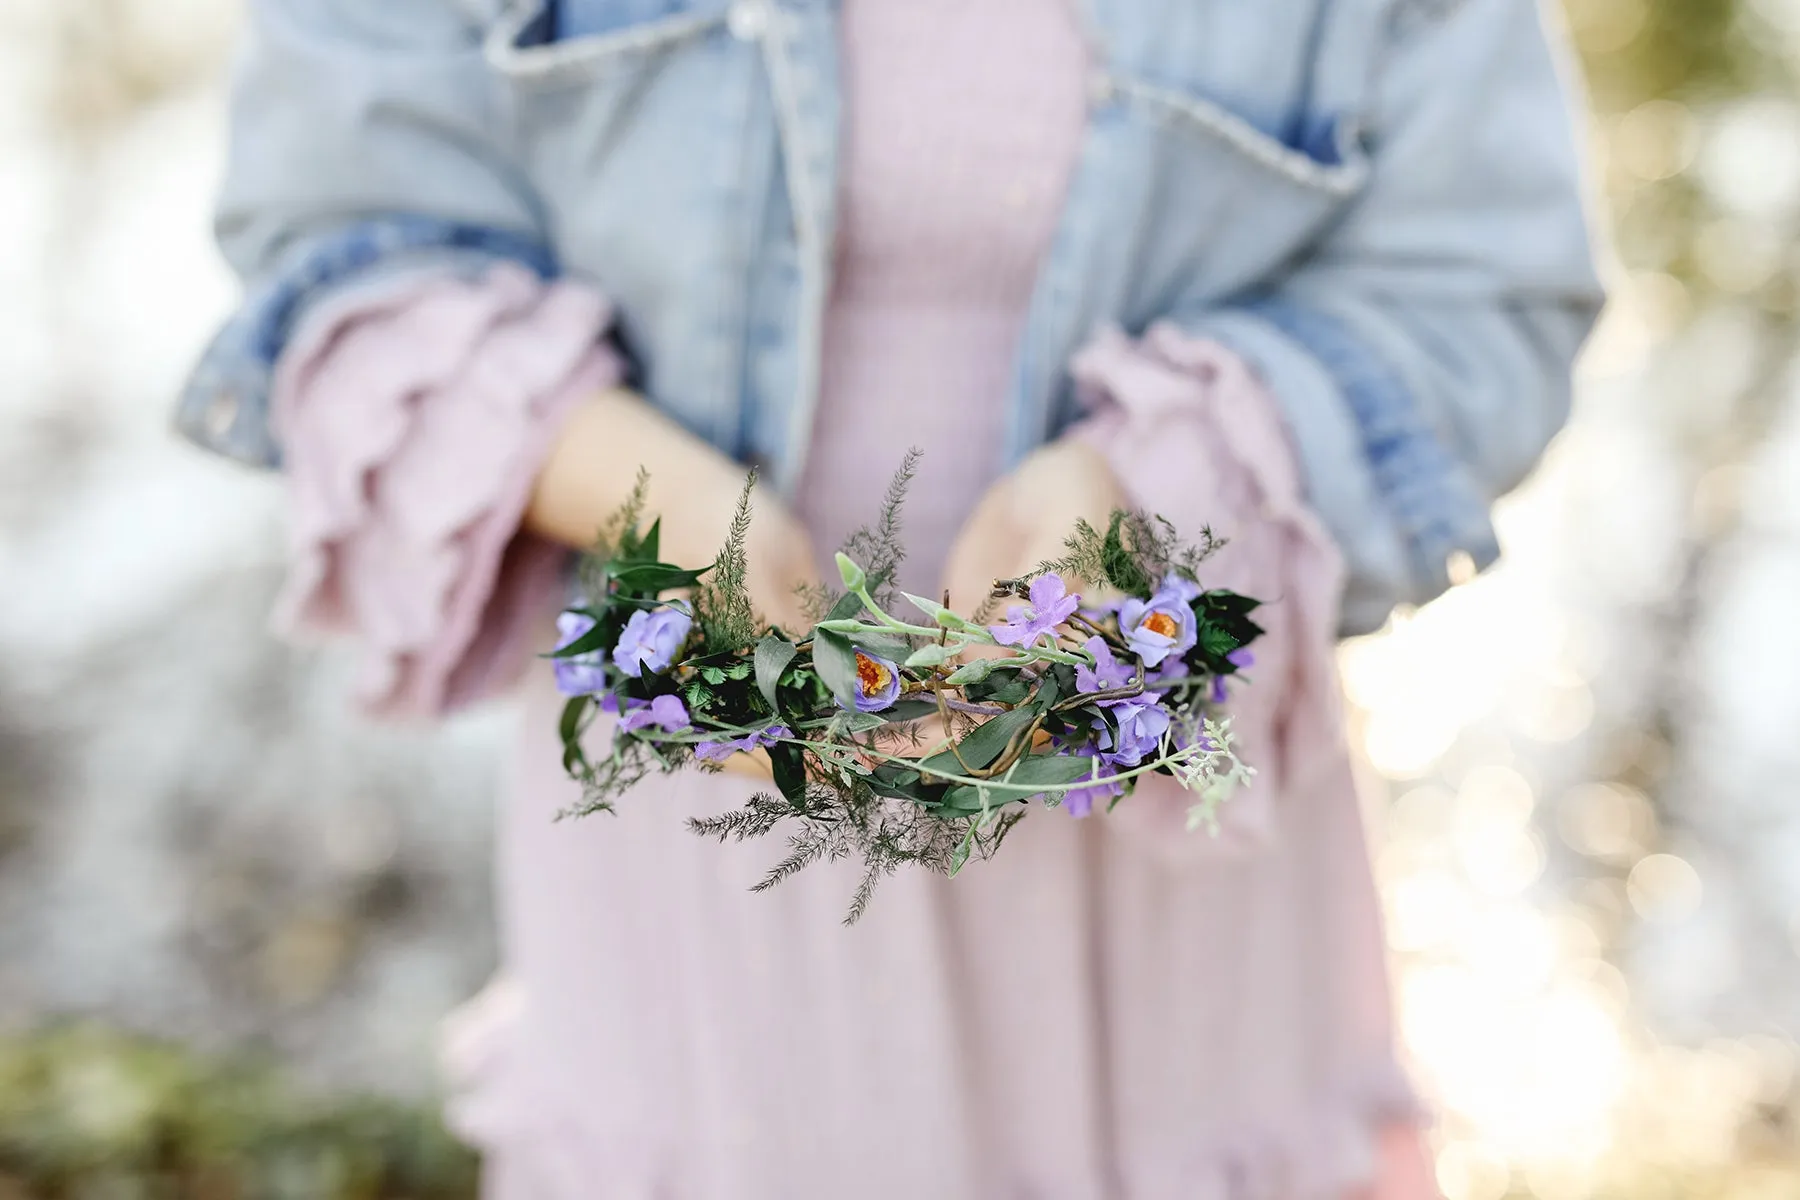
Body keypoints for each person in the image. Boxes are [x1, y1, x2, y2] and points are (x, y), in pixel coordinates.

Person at [177, 0, 1601, 1195]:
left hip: (1172, 852)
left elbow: (1479, 292)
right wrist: (644, 498)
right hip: (705, 842)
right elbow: (338, 240)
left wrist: (1148, 493)